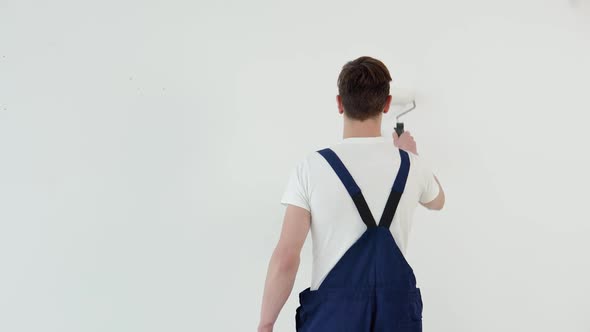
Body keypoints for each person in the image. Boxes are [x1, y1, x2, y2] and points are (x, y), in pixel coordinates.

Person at [258, 56, 445, 332]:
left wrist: (266, 323)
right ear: (387, 104)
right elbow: (438, 201)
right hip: (396, 316)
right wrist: (411, 156)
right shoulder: (412, 166)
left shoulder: (311, 168)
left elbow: (287, 256)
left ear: (339, 103)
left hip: (332, 318)